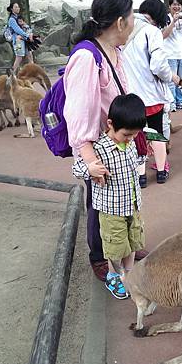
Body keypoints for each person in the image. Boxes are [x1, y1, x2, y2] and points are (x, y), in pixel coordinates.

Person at [63, 0, 149, 283]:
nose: (134, 21)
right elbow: (79, 114)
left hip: (117, 141)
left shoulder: (113, 50)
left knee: (123, 196)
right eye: (132, 15)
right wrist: (90, 161)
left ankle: (123, 245)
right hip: (99, 149)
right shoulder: (87, 58)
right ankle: (100, 256)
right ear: (120, 22)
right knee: (100, 203)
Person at [72, 94, 146, 299]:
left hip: (132, 203)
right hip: (111, 209)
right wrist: (91, 169)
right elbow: (77, 169)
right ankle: (114, 275)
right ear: (111, 124)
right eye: (127, 134)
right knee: (115, 247)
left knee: (133, 241)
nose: (130, 138)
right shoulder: (99, 148)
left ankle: (129, 273)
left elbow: (135, 159)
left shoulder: (130, 142)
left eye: (134, 134)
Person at [123, 0, 180, 187]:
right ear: (158, 15)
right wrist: (170, 77)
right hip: (151, 95)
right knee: (156, 132)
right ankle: (162, 171)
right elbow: (159, 65)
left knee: (138, 134)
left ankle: (140, 176)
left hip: (130, 95)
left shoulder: (124, 31)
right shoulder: (152, 31)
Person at [7, 3, 34, 70]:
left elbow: (26, 26)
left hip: (25, 39)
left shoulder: (18, 18)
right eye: (16, 7)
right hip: (18, 40)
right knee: (19, 57)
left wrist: (30, 33)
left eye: (18, 7)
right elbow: (17, 30)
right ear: (11, 9)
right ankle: (12, 74)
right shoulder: (11, 20)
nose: (18, 8)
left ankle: (34, 72)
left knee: (29, 55)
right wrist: (27, 35)